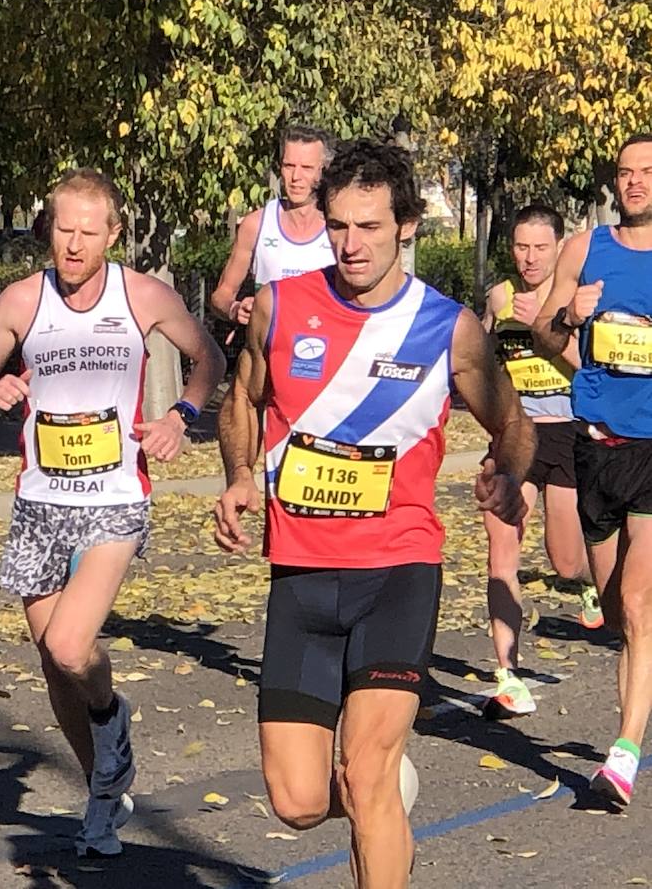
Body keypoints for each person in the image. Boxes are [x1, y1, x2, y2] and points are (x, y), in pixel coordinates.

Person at [214, 140, 532, 886]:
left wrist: (509, 473)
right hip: (302, 576)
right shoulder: (282, 305)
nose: (351, 244)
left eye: (370, 227)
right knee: (295, 800)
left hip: (398, 571)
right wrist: (237, 474)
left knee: (363, 771)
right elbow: (241, 399)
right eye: (338, 226)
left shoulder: (446, 328)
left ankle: (376, 793)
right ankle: (382, 793)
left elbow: (514, 423)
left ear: (409, 226)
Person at [0, 168, 226, 857]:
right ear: (47, 228)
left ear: (112, 233)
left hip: (115, 498)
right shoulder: (22, 300)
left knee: (71, 645)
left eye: (88, 231)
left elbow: (209, 356)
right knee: (53, 668)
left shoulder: (141, 295)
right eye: (62, 228)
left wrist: (181, 414)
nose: (73, 244)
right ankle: (102, 788)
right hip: (40, 501)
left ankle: (111, 718)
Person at [535, 132, 652, 807]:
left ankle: (624, 754)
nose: (634, 182)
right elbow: (546, 339)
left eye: (646, 173)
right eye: (625, 173)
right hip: (596, 446)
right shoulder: (584, 249)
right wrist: (566, 315)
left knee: (638, 602)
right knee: (615, 612)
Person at [480, 204, 601, 720]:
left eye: (540, 248)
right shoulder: (501, 296)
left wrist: (548, 331)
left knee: (566, 562)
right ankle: (508, 675)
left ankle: (595, 585)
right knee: (500, 552)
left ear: (559, 249)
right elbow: (481, 364)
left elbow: (595, 372)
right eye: (520, 247)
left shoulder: (577, 301)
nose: (529, 259)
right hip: (519, 435)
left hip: (571, 435)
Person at [209, 125, 336, 325]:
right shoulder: (256, 224)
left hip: (322, 347)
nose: (295, 177)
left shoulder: (339, 226)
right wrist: (235, 309)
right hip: (266, 351)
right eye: (289, 166)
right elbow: (221, 295)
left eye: (307, 168)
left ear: (324, 169)